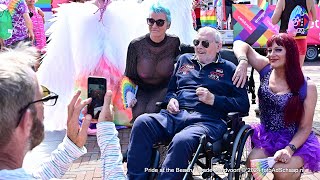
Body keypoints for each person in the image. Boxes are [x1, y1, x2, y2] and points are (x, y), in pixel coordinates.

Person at [37, 0, 197, 130]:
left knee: (111, 88)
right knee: (95, 86)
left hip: (113, 65)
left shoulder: (122, 11)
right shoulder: (82, 13)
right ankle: (95, 117)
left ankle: (104, 117)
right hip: (95, 65)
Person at [127, 27, 250, 179]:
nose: (199, 46)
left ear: (218, 46)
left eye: (205, 43)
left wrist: (214, 100)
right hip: (175, 115)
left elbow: (244, 105)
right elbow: (172, 90)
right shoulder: (184, 60)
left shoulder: (230, 70)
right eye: (196, 42)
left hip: (207, 121)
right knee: (142, 122)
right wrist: (171, 100)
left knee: (182, 140)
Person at [232, 33, 320, 179]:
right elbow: (240, 44)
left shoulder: (307, 86)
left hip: (297, 141)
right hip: (268, 137)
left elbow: (305, 128)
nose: (272, 54)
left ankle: (294, 174)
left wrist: (288, 150)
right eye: (269, 50)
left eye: (278, 50)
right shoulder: (265, 69)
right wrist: (242, 62)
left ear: (290, 53)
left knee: (281, 172)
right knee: (252, 164)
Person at [124, 4, 180, 121]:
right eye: (151, 21)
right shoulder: (136, 45)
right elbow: (129, 75)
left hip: (164, 88)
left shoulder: (174, 42)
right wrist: (129, 95)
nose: (154, 26)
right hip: (142, 89)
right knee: (136, 115)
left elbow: (194, 50)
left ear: (168, 25)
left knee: (150, 112)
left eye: (160, 22)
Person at [271, 0, 317, 66]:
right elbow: (314, 18)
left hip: (285, 39)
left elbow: (274, 21)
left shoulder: (282, 1)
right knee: (298, 69)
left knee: (284, 69)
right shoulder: (309, 1)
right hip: (301, 38)